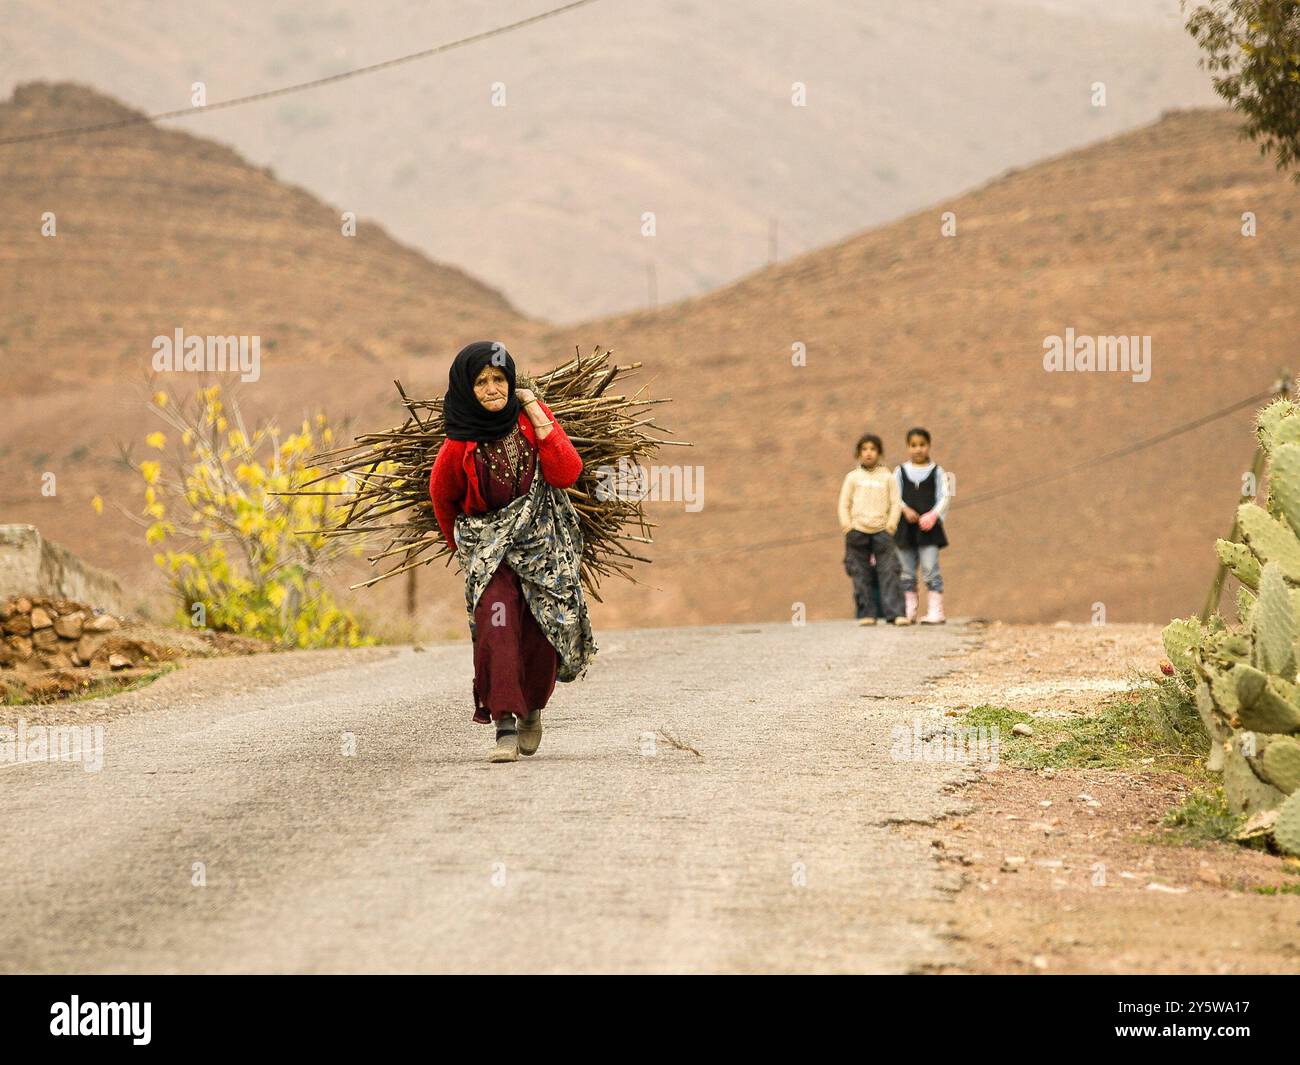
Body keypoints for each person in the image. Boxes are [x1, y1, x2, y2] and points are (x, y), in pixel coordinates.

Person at [429, 341, 596, 763]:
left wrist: (535, 408)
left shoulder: (527, 424)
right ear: (467, 389)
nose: (491, 389)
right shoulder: (457, 444)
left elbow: (566, 471)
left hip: (541, 543)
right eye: (481, 381)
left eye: (499, 379)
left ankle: (532, 710)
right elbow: (442, 499)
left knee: (542, 627)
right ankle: (504, 721)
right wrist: (472, 551)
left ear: (512, 382)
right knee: (496, 622)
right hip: (490, 551)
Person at [838, 433, 907, 626]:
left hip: (882, 531)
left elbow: (895, 503)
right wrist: (847, 527)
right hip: (857, 531)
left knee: (889, 571)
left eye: (873, 449)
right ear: (859, 453)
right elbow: (844, 503)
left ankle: (895, 613)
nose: (869, 453)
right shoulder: (852, 478)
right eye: (864, 449)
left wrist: (891, 526)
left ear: (879, 452)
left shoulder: (887, 477)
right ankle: (866, 613)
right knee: (860, 573)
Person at [894, 426, 950, 624]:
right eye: (913, 445)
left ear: (929, 446)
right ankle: (909, 610)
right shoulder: (900, 471)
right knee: (906, 571)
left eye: (922, 445)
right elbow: (894, 495)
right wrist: (904, 509)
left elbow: (944, 496)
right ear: (908, 447)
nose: (918, 449)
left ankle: (936, 611)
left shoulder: (938, 471)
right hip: (905, 529)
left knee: (930, 568)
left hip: (929, 530)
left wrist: (933, 515)